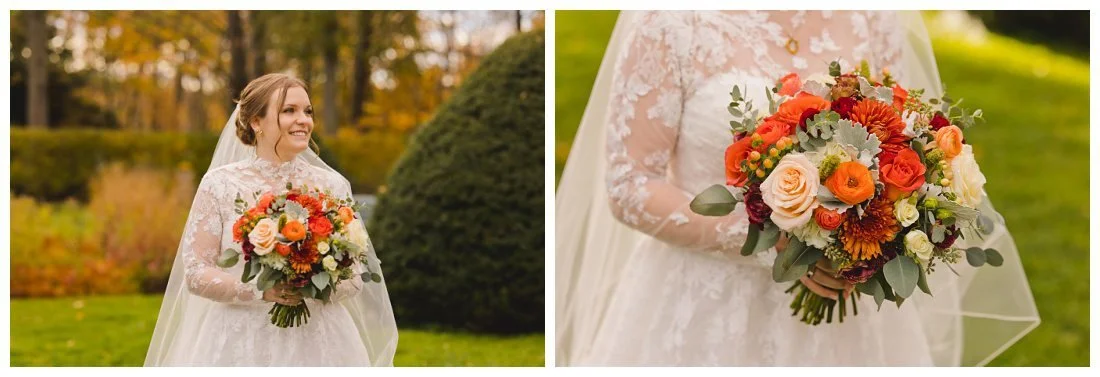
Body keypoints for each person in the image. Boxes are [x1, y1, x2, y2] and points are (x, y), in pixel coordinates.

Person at [556, 11, 1039, 366]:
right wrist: (781, 243)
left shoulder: (875, 18)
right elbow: (629, 186)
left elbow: (906, 140)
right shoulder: (670, 23)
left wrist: (868, 236)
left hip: (848, 318)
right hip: (704, 308)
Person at [145, 73, 398, 366]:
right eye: (289, 110)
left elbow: (355, 276)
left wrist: (311, 283)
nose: (303, 120)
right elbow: (197, 272)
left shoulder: (332, 186)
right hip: (240, 340)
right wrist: (262, 291)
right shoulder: (221, 184)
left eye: (307, 111)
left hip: (320, 341)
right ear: (256, 122)